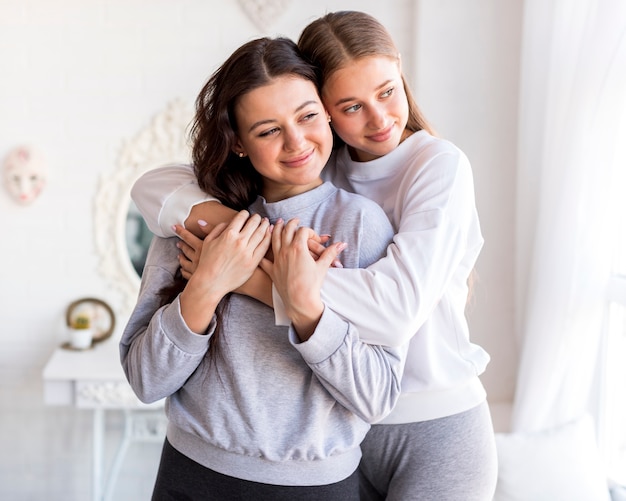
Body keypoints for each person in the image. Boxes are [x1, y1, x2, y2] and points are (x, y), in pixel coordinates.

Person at [130, 11, 498, 500]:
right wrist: (238, 240)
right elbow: (153, 186)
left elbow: (394, 313)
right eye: (350, 106)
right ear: (329, 107)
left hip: (432, 417)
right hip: (333, 439)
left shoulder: (433, 169)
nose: (379, 119)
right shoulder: (327, 163)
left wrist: (248, 277)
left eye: (388, 91)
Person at [120, 36, 407, 501]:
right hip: (192, 477)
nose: (296, 142)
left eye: (308, 116)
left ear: (328, 112)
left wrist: (306, 311)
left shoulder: (361, 223)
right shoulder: (194, 220)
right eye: (268, 130)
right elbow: (145, 380)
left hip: (318, 488)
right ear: (236, 142)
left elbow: (377, 397)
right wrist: (206, 288)